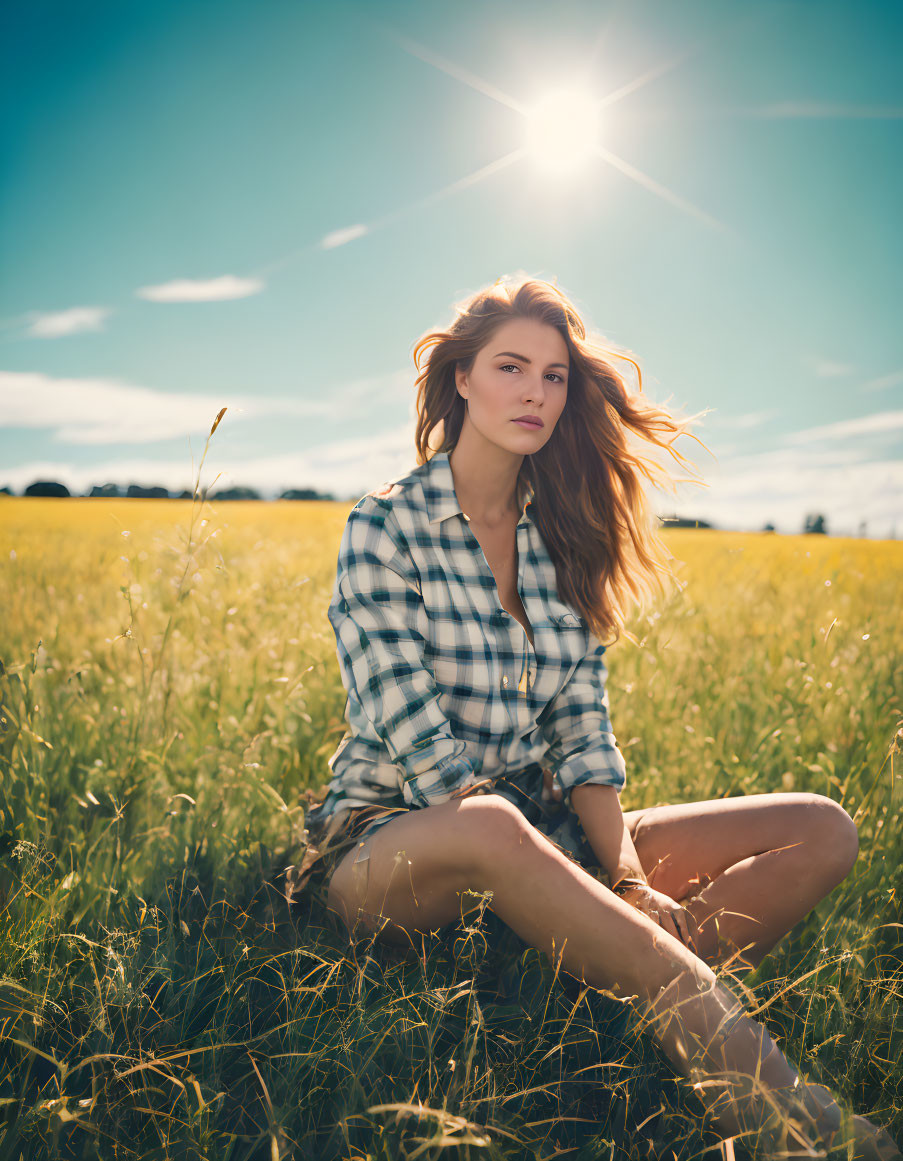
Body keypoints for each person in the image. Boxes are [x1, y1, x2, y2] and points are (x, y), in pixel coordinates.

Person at [299, 275, 899, 1157]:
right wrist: (563, 875)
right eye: (511, 367)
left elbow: (583, 738)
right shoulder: (384, 527)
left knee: (821, 828)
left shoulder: (562, 539)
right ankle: (742, 1070)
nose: (535, 392)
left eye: (553, 376)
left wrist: (619, 879)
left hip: (536, 836)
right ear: (461, 377)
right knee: (490, 819)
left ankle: (586, 993)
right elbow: (418, 741)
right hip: (391, 849)